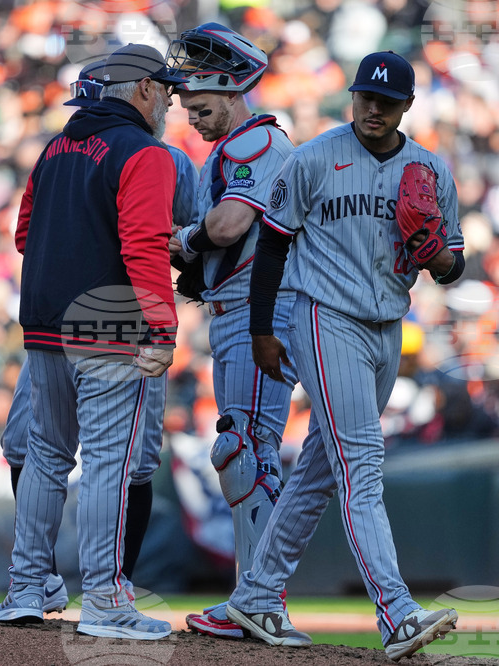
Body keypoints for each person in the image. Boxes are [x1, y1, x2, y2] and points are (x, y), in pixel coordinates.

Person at [226, 51, 464, 661]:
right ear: (352, 97)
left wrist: (436, 251)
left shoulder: (431, 170)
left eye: (387, 101)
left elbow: (453, 267)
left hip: (387, 327)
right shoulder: (313, 160)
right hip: (322, 315)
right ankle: (397, 613)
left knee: (320, 469)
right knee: (360, 462)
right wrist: (261, 329)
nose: (374, 108)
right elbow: (274, 246)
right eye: (366, 97)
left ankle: (256, 594)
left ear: (407, 105)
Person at [0, 44, 184, 640]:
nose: (171, 100)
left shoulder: (53, 150)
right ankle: (104, 598)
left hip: (45, 326)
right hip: (110, 327)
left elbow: (24, 234)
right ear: (143, 90)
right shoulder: (144, 152)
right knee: (108, 465)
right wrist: (162, 326)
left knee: (46, 457)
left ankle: (25, 588)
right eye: (166, 89)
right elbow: (145, 246)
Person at [165, 22, 303, 639]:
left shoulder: (256, 144)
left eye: (200, 106)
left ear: (232, 89)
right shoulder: (241, 145)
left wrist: (187, 241)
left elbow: (228, 224)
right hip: (241, 308)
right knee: (249, 450)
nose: (192, 118)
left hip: (258, 312)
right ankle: (256, 597)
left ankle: (260, 596)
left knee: (242, 448)